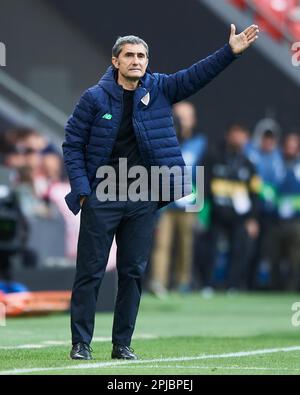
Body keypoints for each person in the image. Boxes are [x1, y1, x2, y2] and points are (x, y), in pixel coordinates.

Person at [62, 25, 259, 361]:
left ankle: (122, 344)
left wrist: (229, 52)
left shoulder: (161, 88)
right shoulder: (94, 98)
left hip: (143, 195)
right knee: (90, 272)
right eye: (129, 55)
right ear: (115, 61)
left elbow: (196, 76)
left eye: (141, 56)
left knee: (133, 272)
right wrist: (83, 191)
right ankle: (81, 343)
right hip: (103, 194)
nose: (136, 61)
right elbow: (73, 144)